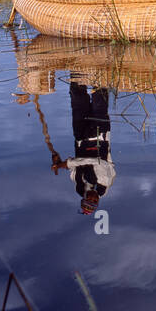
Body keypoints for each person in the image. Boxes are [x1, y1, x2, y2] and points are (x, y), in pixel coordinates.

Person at [51, 80, 115, 215]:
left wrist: (59, 160)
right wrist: (66, 164)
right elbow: (95, 161)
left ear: (84, 198)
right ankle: (100, 70)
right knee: (100, 96)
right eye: (95, 202)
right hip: (100, 135)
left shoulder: (79, 186)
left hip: (80, 137)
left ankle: (77, 71)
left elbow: (75, 165)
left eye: (89, 200)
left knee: (77, 98)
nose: (93, 198)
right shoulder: (104, 183)